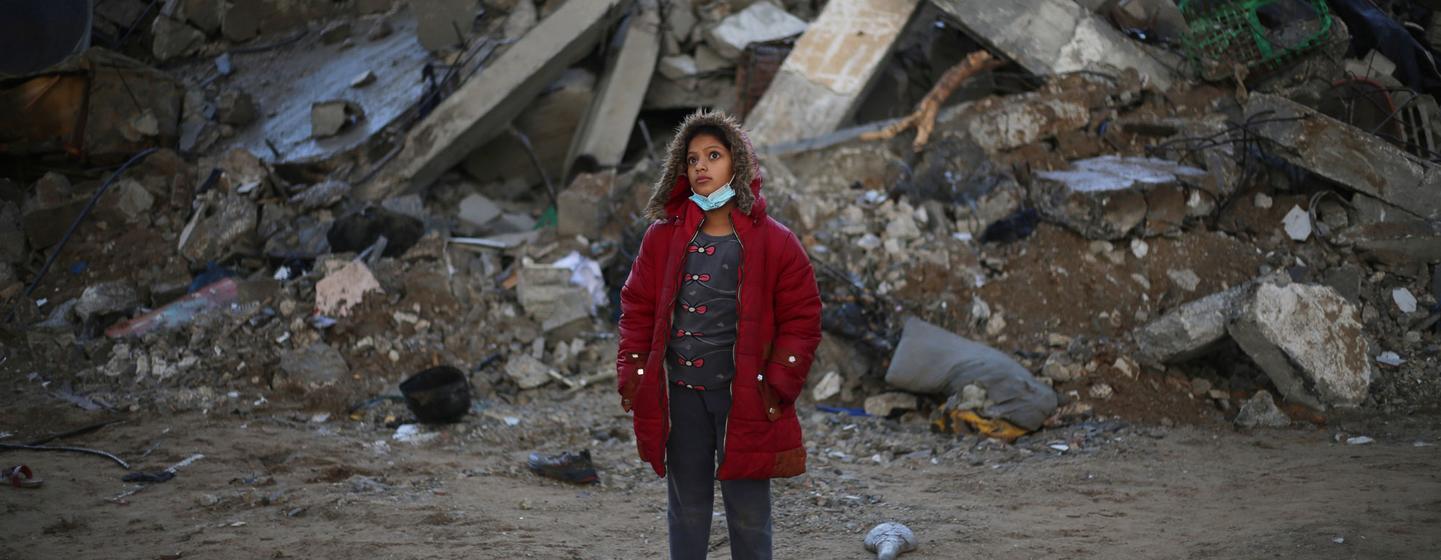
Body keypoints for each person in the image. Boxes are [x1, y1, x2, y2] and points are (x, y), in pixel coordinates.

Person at [616, 109, 822, 559]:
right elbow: (636, 307)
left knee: (748, 513)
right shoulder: (663, 238)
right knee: (686, 508)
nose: (701, 167)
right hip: (681, 396)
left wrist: (779, 383)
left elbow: (802, 318)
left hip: (744, 399)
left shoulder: (775, 242)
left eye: (714, 155)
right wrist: (634, 371)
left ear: (739, 165)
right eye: (692, 160)